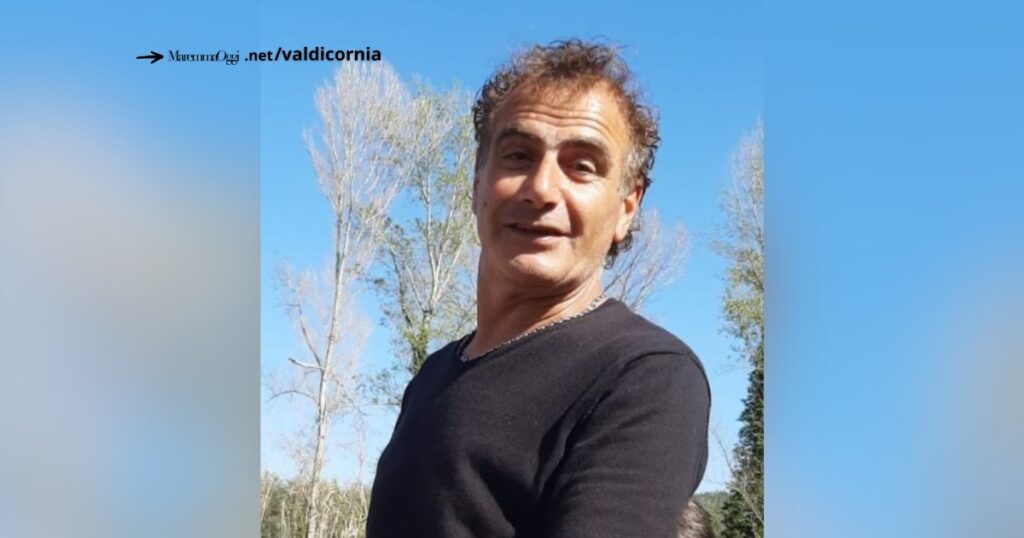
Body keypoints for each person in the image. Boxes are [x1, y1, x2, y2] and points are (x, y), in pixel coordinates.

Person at [365, 39, 711, 538]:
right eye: (518, 155)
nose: (542, 189)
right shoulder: (434, 374)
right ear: (477, 182)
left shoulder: (646, 376)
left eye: (582, 166)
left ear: (626, 207)